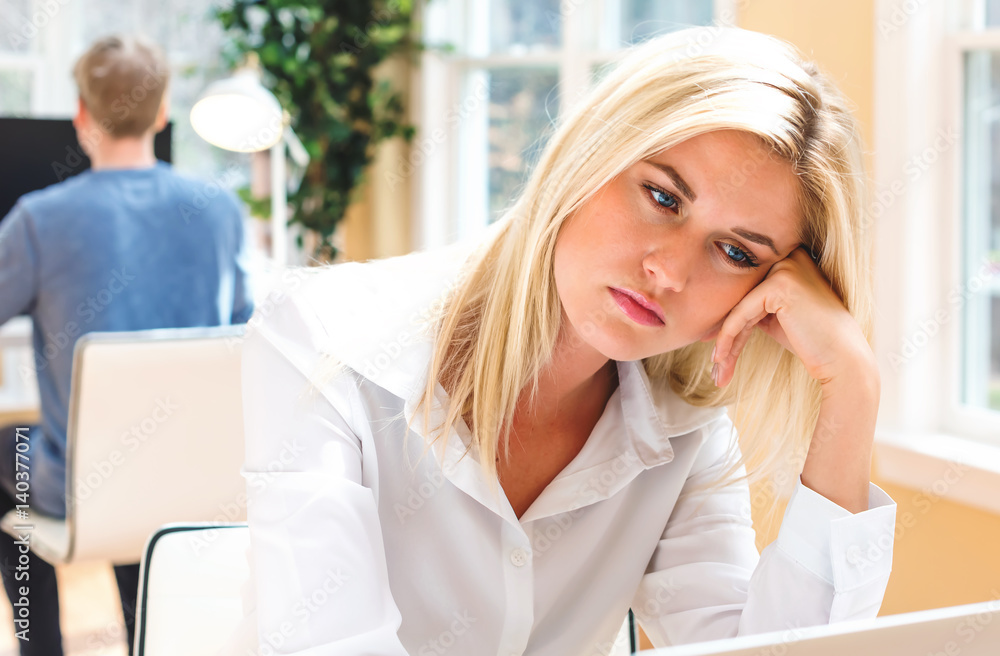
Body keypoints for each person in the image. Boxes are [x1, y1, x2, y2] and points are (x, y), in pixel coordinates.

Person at [237, 26, 896, 654]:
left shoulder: (684, 428)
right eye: (663, 198)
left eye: (733, 252)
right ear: (591, 151)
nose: (669, 271)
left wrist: (853, 386)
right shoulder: (326, 341)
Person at [0, 34, 254, 655]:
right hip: (195, 483)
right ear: (162, 112)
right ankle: (150, 633)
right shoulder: (220, 210)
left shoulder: (39, 218)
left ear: (82, 115)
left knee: (10, 452)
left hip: (85, 489)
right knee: (135, 486)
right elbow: (245, 332)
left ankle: (40, 644)